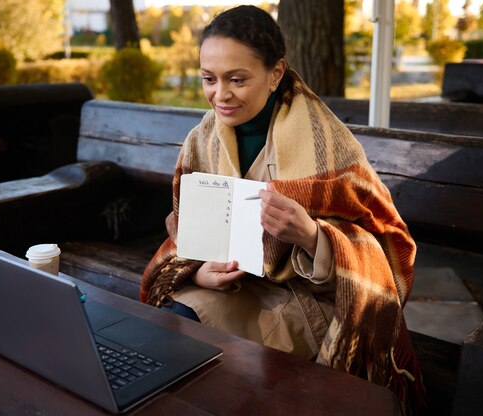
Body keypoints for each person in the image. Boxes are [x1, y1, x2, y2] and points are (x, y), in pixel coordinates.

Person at [141, 5, 424, 413]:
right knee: (171, 327)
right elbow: (190, 234)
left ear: (276, 74)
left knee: (203, 363)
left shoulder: (328, 145)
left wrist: (310, 236)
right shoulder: (202, 140)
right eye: (209, 79)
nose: (220, 94)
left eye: (237, 79)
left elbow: (385, 254)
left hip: (307, 302)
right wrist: (200, 269)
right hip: (236, 287)